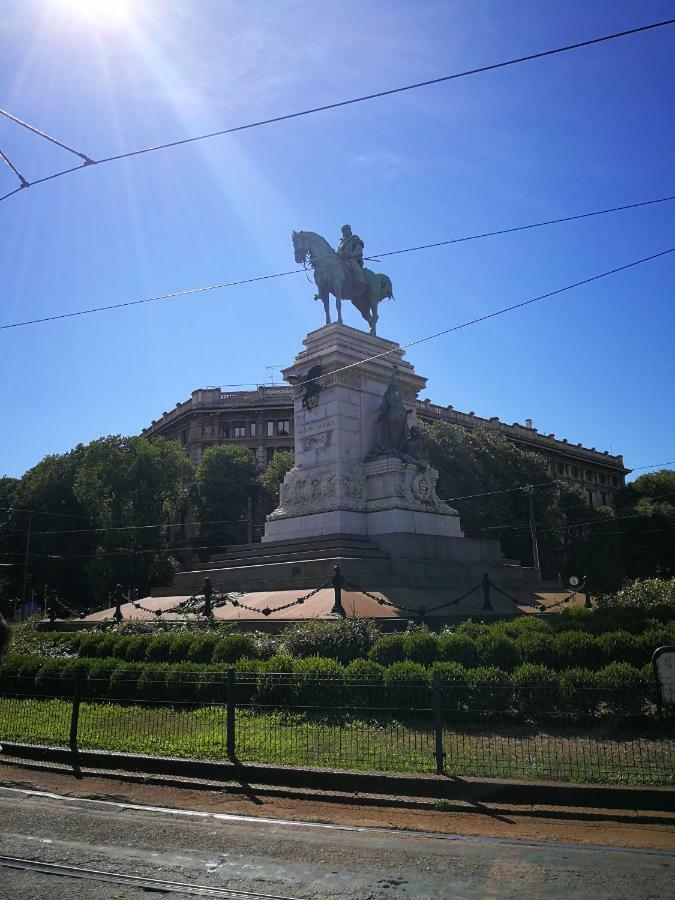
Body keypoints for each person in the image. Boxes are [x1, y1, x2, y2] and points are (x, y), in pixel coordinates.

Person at [336, 224, 365, 290]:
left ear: (349, 230)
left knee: (352, 261)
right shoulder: (341, 243)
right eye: (343, 231)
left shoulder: (355, 238)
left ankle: (360, 279)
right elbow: (338, 253)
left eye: (346, 230)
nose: (345, 232)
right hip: (342, 260)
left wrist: (350, 254)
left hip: (353, 259)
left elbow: (359, 251)